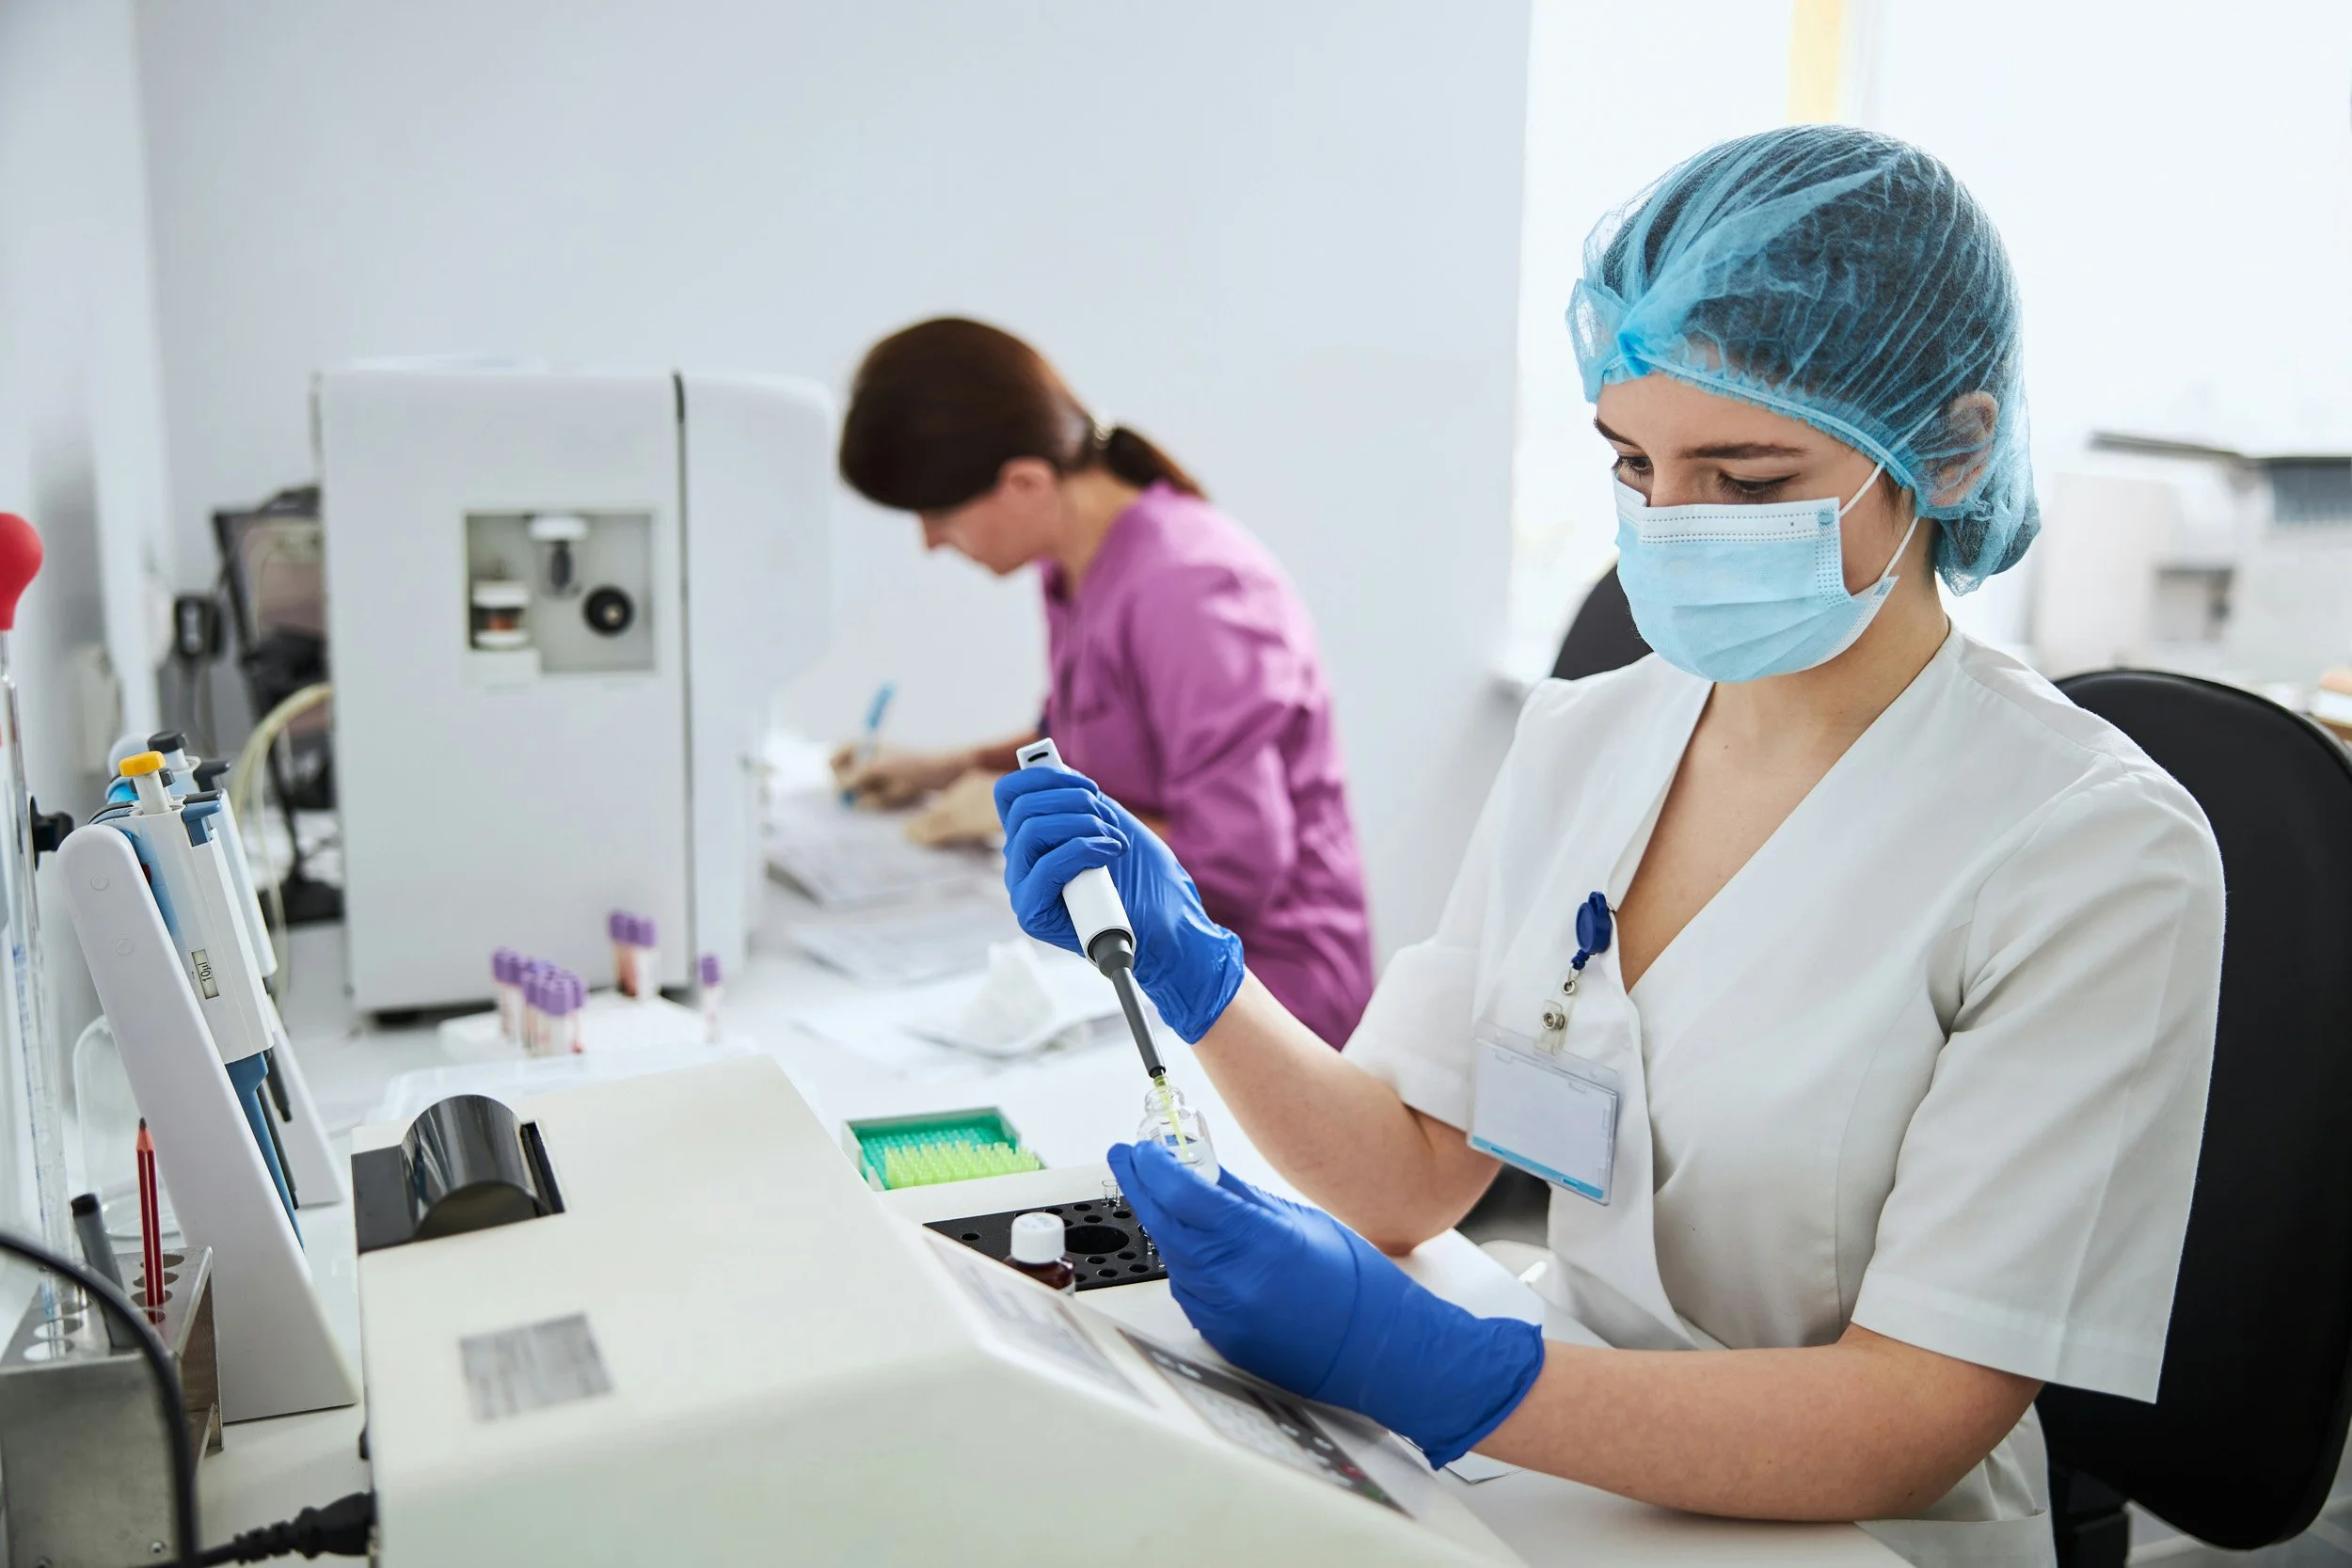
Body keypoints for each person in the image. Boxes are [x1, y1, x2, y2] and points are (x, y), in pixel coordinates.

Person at [991, 127, 2224, 1568]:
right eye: (1634, 462)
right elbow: (1408, 1174)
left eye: (1748, 479)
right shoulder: (1588, 738)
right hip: (1562, 1471)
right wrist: (1200, 977)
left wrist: (1442, 1367)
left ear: (1945, 449)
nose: (1672, 525)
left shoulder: (2090, 850)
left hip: (1861, 1530)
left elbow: (1913, 1411)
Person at [834, 318, 1375, 1049]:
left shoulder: (1189, 589)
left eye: (937, 514)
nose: (929, 542)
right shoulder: (1073, 567)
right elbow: (1093, 745)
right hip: (1152, 957)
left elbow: (1238, 858)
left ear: (1025, 482)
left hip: (1272, 996)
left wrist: (1005, 818)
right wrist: (948, 767)